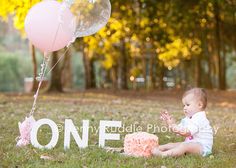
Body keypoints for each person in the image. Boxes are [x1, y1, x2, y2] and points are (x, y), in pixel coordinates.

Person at [152, 88, 213, 157]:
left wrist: (174, 126)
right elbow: (177, 130)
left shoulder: (199, 118)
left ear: (199, 105)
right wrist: (171, 123)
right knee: (173, 144)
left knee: (184, 146)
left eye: (187, 105)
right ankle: (156, 148)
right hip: (192, 143)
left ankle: (162, 154)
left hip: (202, 147)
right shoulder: (188, 118)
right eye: (183, 105)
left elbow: (186, 133)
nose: (184, 108)